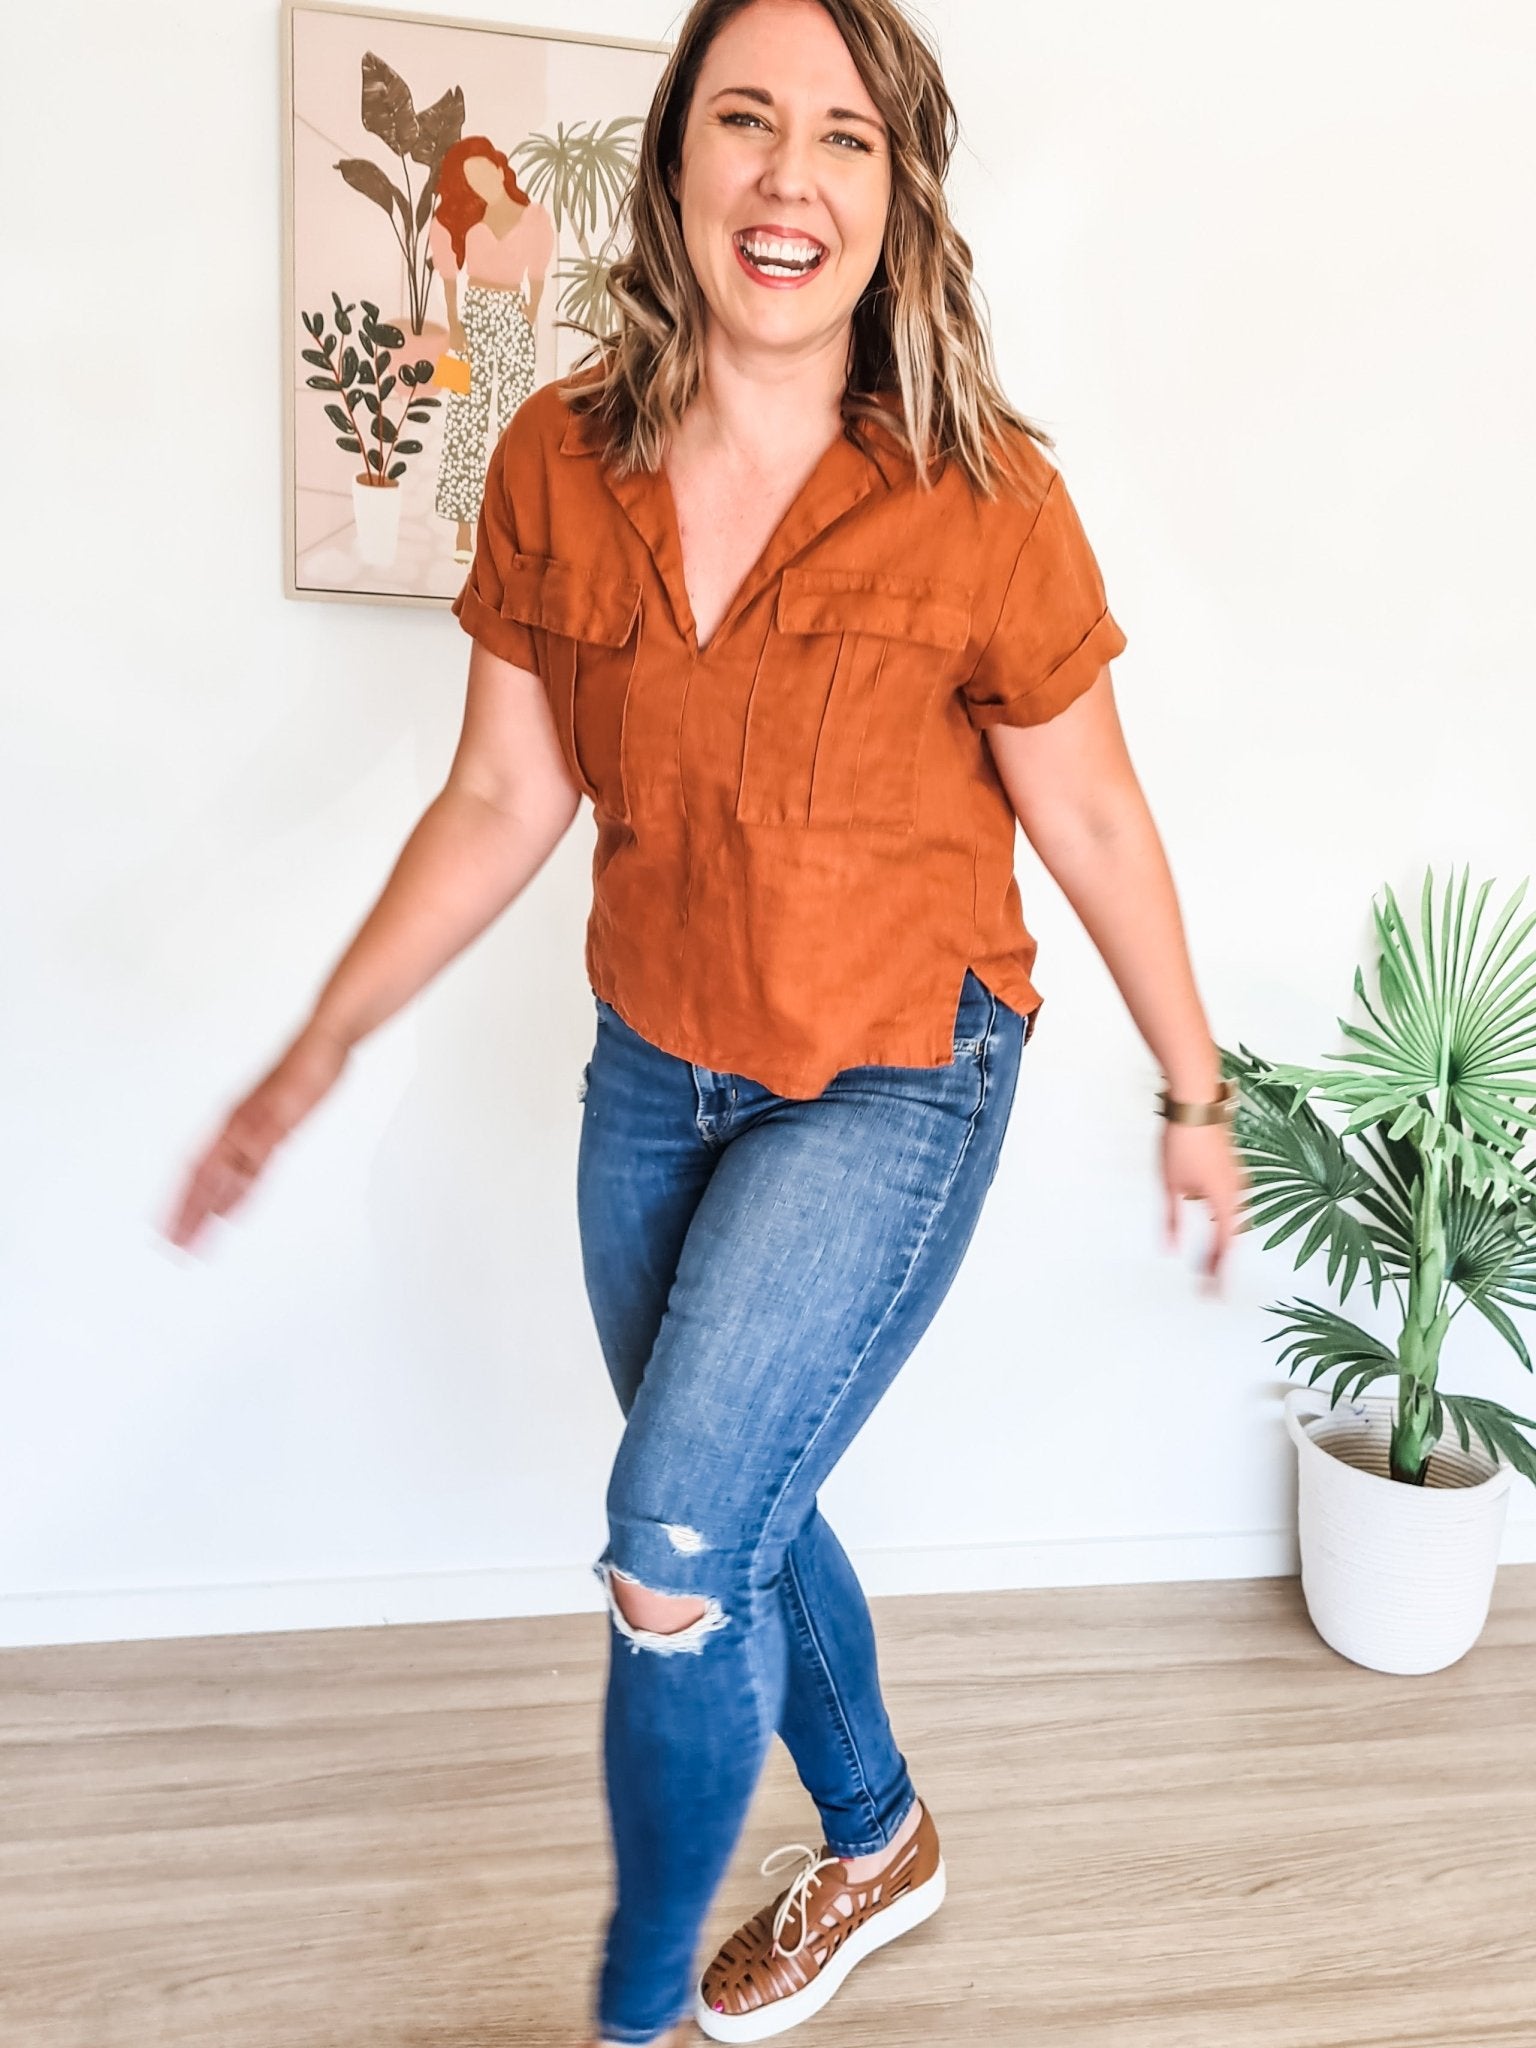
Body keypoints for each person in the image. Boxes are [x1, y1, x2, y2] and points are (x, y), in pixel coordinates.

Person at [163, 1, 1248, 2043]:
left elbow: (1093, 811)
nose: (787, 173)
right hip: (652, 1073)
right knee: (738, 1493)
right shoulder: (557, 461)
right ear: (675, 165)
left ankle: (634, 2009)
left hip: (898, 1071)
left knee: (671, 1540)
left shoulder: (987, 494)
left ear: (895, 195)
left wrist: (1197, 1089)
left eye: (842, 136)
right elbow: (501, 795)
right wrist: (317, 1047)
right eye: (744, 119)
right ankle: (878, 1831)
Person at [428, 136, 554, 564]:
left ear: (500, 168)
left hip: (514, 316)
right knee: (465, 417)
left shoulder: (535, 217)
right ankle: (464, 527)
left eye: (483, 170)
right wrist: (454, 322)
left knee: (516, 420)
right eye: (470, 178)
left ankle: (509, 524)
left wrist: (529, 314)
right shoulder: (466, 220)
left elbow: (537, 274)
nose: (480, 182)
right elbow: (449, 275)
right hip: (474, 314)